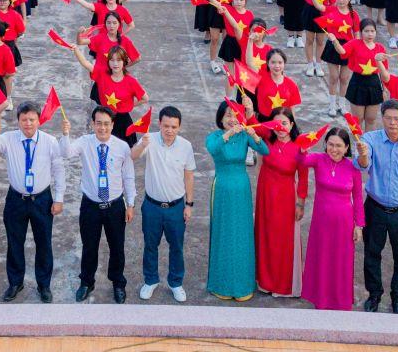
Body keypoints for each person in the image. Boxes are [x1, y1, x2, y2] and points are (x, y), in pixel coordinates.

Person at [0, 101, 66, 303]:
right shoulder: (9, 139)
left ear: (39, 120)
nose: (28, 123)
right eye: (24, 119)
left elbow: (59, 170)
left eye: (32, 119)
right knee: (14, 242)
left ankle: (44, 285)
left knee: (44, 243)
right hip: (16, 200)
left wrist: (59, 199)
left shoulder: (49, 141)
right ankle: (15, 282)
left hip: (42, 200)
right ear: (18, 121)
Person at [61, 104, 136, 303]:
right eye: (98, 124)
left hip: (115, 206)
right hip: (90, 206)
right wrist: (65, 134)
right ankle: (86, 282)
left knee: (117, 247)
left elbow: (128, 176)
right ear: (92, 124)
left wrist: (131, 203)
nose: (102, 128)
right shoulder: (85, 142)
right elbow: (66, 153)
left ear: (112, 125)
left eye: (106, 124)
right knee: (89, 246)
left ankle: (118, 283)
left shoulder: (122, 147)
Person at [357, 99, 398, 314]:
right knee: (372, 253)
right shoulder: (370, 139)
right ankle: (374, 295)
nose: (392, 123)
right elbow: (362, 165)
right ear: (382, 118)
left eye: (397, 119)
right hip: (375, 207)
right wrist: (363, 155)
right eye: (388, 118)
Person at [205, 99, 269, 301]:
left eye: (234, 115)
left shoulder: (244, 136)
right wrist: (229, 133)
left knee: (242, 234)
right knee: (223, 232)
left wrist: (253, 133)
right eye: (228, 116)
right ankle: (221, 284)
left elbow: (265, 150)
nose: (232, 119)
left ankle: (242, 285)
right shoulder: (215, 136)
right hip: (222, 187)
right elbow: (213, 148)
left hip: (241, 188)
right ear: (221, 118)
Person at [131, 105, 195, 302]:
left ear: (180, 127)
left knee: (176, 246)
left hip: (176, 207)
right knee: (151, 245)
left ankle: (176, 283)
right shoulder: (149, 139)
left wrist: (189, 204)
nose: (169, 130)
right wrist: (142, 144)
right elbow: (132, 156)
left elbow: (189, 175)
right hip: (152, 206)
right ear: (159, 124)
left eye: (174, 127)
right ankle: (150, 281)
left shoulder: (186, 146)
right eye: (166, 126)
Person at [298, 125, 365, 311]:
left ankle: (340, 302)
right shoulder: (319, 159)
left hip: (344, 223)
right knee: (323, 260)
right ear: (325, 145)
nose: (334, 149)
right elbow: (301, 160)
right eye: (330, 144)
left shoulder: (353, 166)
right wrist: (303, 147)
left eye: (339, 146)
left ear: (346, 148)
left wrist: (359, 225)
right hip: (321, 223)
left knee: (341, 263)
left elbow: (358, 197)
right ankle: (321, 300)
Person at [253, 107, 305, 297]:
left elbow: (304, 178)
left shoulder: (300, 147)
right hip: (265, 194)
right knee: (265, 236)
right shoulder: (267, 139)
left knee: (282, 241)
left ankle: (283, 285)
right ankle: (265, 281)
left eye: (284, 123)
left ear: (291, 125)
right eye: (276, 123)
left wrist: (300, 204)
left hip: (286, 197)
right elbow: (251, 122)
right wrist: (250, 109)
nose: (280, 127)